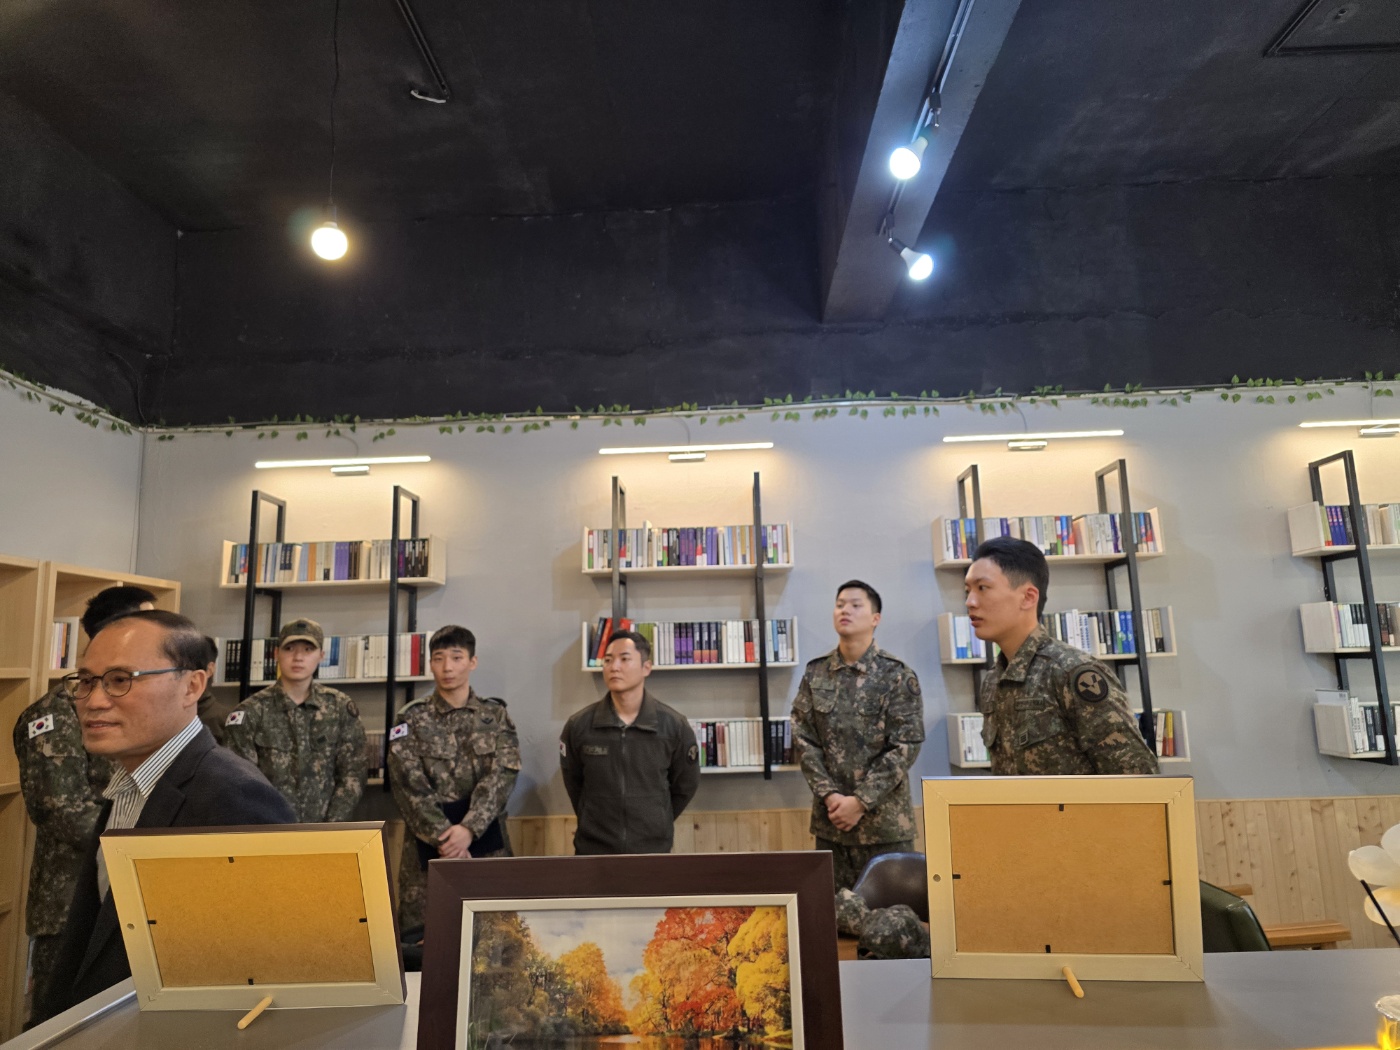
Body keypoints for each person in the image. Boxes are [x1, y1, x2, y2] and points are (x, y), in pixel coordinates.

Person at [32, 610, 294, 1024]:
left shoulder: (233, 796)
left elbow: (267, 965)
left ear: (192, 686)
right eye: (85, 681)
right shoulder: (131, 780)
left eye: (121, 679)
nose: (94, 701)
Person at [12, 585, 153, 1025]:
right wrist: (147, 844)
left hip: (126, 896)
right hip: (69, 904)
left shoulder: (133, 706)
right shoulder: (55, 716)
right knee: (62, 1023)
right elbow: (64, 812)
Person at [965, 536, 1159, 775]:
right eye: (967, 591)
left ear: (1028, 597)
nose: (970, 602)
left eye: (983, 588)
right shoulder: (993, 681)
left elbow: (1139, 777)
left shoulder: (1071, 672)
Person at [791, 581, 925, 891]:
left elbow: (906, 744)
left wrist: (861, 801)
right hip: (832, 823)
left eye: (855, 605)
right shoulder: (816, 672)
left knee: (891, 915)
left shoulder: (897, 674)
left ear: (875, 618)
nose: (845, 611)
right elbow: (802, 737)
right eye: (840, 605)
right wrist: (831, 796)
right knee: (832, 912)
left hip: (884, 827)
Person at [387, 625, 520, 932]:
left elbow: (503, 774)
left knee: (497, 938)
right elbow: (406, 782)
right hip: (428, 849)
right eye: (439, 658)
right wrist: (446, 838)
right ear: (430, 664)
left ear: (472, 662)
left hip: (487, 844)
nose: (447, 667)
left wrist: (469, 830)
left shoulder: (495, 716)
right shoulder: (410, 718)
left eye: (457, 657)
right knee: (426, 938)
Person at [560, 630, 700, 856]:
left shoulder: (674, 726)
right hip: (593, 850)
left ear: (646, 667)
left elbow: (685, 786)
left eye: (624, 659)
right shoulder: (579, 726)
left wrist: (657, 819)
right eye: (608, 660)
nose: (614, 667)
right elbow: (574, 785)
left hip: (652, 851)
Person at [222, 618, 367, 822]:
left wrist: (331, 827)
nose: (298, 657)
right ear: (276, 654)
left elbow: (353, 774)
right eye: (289, 648)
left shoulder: (340, 708)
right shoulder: (250, 712)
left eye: (308, 649)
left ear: (321, 656)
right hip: (267, 831)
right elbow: (240, 781)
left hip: (327, 832)